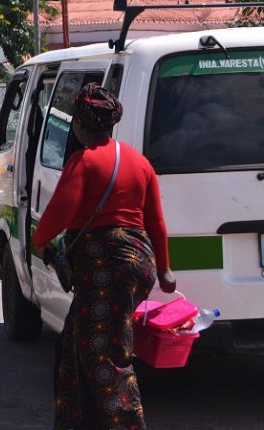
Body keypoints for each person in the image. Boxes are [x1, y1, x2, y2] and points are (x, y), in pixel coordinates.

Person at [31, 83, 176, 430]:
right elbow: (155, 220)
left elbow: (60, 213)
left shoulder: (83, 160)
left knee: (103, 354)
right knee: (74, 343)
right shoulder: (139, 162)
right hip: (138, 261)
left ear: (79, 125)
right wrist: (166, 269)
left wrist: (39, 240)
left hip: (105, 267)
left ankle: (126, 424)